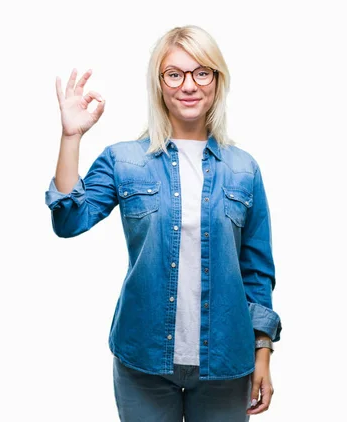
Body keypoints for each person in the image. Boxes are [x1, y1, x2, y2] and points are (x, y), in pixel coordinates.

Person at [44, 25, 282, 421]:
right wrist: (71, 137)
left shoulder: (244, 169)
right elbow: (69, 221)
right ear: (159, 84)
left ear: (217, 82)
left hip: (226, 363)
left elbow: (256, 272)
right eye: (175, 74)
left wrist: (264, 354)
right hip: (143, 360)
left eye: (201, 72)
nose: (188, 85)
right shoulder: (125, 160)